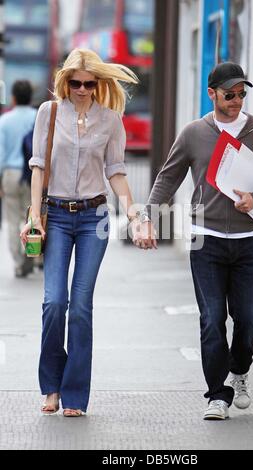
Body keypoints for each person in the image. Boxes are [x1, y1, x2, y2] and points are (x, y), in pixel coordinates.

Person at [133, 62, 253, 420]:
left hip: (248, 241)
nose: (236, 101)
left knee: (248, 318)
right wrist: (146, 220)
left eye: (241, 94)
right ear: (212, 93)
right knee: (212, 318)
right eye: (229, 94)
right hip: (207, 241)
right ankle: (218, 394)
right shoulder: (193, 133)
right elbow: (167, 179)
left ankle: (240, 371)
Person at [20, 48, 150, 417]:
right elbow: (38, 167)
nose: (80, 89)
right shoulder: (50, 112)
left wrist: (135, 216)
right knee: (54, 303)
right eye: (74, 83)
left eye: (88, 84)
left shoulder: (110, 120)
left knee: (80, 308)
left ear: (98, 83)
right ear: (65, 82)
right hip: (57, 216)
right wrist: (35, 216)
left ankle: (75, 395)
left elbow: (117, 172)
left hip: (94, 217)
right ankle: (51, 386)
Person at [0, 80, 37, 277]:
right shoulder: (37, 117)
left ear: (13, 98)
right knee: (31, 216)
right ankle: (30, 255)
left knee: (13, 219)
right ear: (31, 97)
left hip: (10, 173)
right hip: (33, 174)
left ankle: (17, 261)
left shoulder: (4, 120)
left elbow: (0, 153)